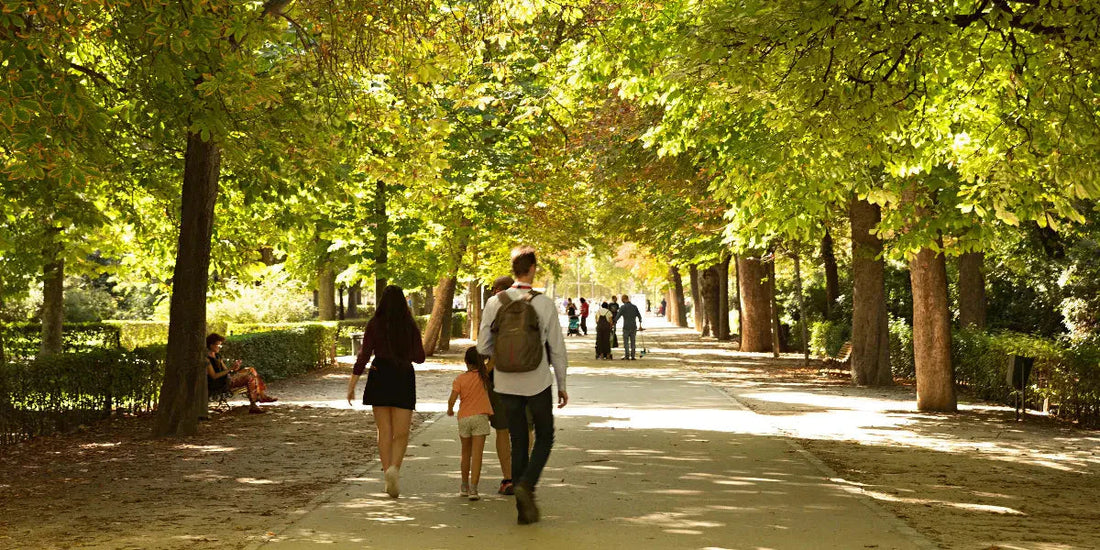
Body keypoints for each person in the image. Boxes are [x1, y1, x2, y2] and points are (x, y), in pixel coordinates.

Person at [478, 246, 568, 525]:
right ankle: (527, 484)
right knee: (544, 436)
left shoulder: (496, 302)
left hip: (505, 382)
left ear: (513, 268)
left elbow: (483, 346)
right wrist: (562, 384)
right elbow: (557, 349)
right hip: (537, 381)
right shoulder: (543, 303)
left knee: (518, 440)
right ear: (532, 269)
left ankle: (521, 508)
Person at [346, 285, 426, 498]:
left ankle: (385, 473)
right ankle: (395, 470)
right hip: (403, 376)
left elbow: (363, 355)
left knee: (384, 431)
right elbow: (420, 357)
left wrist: (352, 385)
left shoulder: (375, 324)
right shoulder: (409, 325)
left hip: (380, 374)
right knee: (401, 433)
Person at [448, 347, 494, 501]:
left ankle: (464, 486)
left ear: (466, 362)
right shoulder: (484, 375)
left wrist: (450, 410)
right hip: (480, 417)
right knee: (477, 455)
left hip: (464, 418)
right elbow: (494, 360)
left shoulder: (459, 379)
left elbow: (452, 399)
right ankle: (474, 489)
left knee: (465, 453)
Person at [486, 275, 516, 495]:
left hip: (501, 378)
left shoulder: (494, 309)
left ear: (497, 290)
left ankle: (508, 478)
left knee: (503, 430)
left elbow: (487, 347)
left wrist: (483, 372)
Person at [206, 333, 277, 415]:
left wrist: (234, 368)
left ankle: (261, 397)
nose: (219, 347)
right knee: (249, 377)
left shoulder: (217, 356)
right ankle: (256, 402)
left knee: (250, 369)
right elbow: (214, 376)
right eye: (218, 345)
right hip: (221, 383)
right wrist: (230, 370)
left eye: (220, 345)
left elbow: (226, 370)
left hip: (227, 378)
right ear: (211, 345)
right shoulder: (207, 359)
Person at [615, 294, 644, 360]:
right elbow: (639, 316)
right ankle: (633, 356)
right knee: (633, 342)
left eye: (622, 299)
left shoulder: (623, 307)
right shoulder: (634, 307)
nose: (622, 301)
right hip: (633, 326)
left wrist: (614, 321)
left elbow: (618, 316)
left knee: (626, 342)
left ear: (624, 299)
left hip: (626, 327)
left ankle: (627, 355)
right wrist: (640, 323)